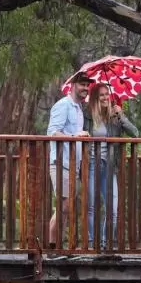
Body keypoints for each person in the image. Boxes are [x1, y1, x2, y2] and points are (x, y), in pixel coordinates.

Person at [85, 84, 138, 248]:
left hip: (109, 166)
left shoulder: (115, 116)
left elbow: (135, 133)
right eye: (101, 95)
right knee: (92, 206)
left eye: (107, 94)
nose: (105, 98)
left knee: (113, 208)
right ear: (95, 97)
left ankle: (105, 242)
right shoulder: (87, 116)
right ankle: (93, 244)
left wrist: (121, 115)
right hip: (91, 163)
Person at [47, 73, 91, 248]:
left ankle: (58, 246)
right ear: (73, 85)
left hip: (74, 165)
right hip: (60, 163)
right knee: (63, 206)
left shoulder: (78, 109)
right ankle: (52, 248)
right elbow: (52, 132)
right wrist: (74, 136)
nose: (86, 88)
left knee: (65, 209)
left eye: (87, 85)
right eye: (82, 84)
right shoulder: (63, 106)